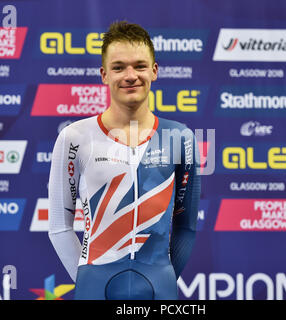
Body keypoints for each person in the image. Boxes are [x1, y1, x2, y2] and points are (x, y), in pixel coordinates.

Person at [48, 21, 201, 300]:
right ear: (104, 75)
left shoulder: (181, 138)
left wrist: (163, 278)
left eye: (140, 66)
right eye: (119, 67)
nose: (130, 75)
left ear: (154, 71)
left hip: (159, 290)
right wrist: (87, 281)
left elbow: (187, 226)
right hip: (95, 288)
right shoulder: (75, 137)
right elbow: (59, 226)